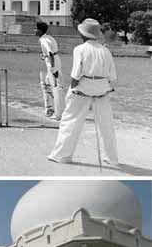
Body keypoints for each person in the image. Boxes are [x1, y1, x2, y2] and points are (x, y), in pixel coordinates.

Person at [48, 18, 118, 166]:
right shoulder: (106, 51)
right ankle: (111, 159)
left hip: (83, 89)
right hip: (102, 90)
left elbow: (75, 75)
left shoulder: (80, 49)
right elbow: (112, 77)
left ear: (83, 34)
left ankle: (62, 155)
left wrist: (71, 89)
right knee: (107, 126)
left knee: (70, 121)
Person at [36, 21, 64, 119]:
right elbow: (50, 53)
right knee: (47, 85)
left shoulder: (44, 40)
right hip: (55, 61)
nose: (34, 30)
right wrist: (44, 56)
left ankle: (59, 113)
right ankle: (50, 109)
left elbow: (51, 53)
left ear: (40, 30)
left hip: (53, 64)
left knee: (55, 87)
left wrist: (53, 69)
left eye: (35, 29)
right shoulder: (48, 37)